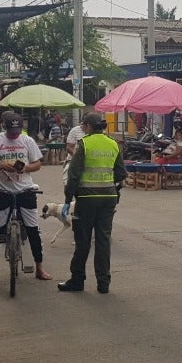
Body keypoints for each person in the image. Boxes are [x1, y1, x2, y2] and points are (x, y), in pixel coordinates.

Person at [0, 111, 51, 285]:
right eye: (11, 132)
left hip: (26, 190)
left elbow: (37, 164)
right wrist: (1, 165)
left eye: (16, 132)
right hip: (3, 191)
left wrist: (25, 168)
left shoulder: (27, 141)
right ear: (4, 126)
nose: (14, 135)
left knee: (33, 231)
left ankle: (39, 268)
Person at [59, 112, 127, 294]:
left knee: (83, 241)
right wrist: (109, 183)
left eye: (84, 126)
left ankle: (77, 281)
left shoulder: (84, 144)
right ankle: (103, 284)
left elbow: (73, 176)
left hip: (86, 199)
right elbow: (121, 173)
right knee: (103, 240)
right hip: (108, 199)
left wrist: (67, 200)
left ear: (88, 126)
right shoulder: (113, 143)